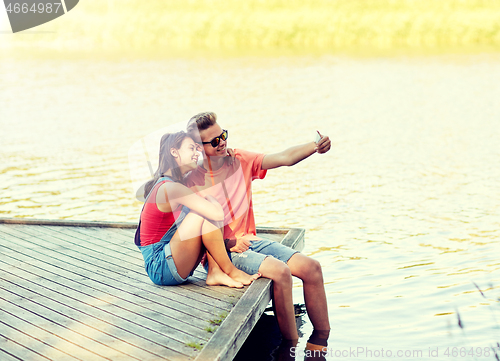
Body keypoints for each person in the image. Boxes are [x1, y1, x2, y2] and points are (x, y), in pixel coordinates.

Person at [185, 112, 331, 353]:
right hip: (223, 251)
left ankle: (320, 343)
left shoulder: (239, 159)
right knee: (281, 272)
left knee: (312, 268)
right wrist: (228, 242)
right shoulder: (191, 180)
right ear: (198, 148)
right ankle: (289, 349)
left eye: (223, 135)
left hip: (251, 241)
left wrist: (315, 146)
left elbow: (283, 157)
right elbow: (191, 231)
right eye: (213, 141)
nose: (222, 142)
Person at [134, 131, 260, 289]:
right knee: (205, 211)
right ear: (174, 152)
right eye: (191, 149)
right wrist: (211, 200)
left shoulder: (173, 183)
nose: (196, 153)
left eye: (197, 149)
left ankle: (215, 272)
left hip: (169, 261)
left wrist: (222, 156)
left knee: (205, 210)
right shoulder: (170, 188)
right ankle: (230, 270)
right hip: (160, 267)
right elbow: (217, 214)